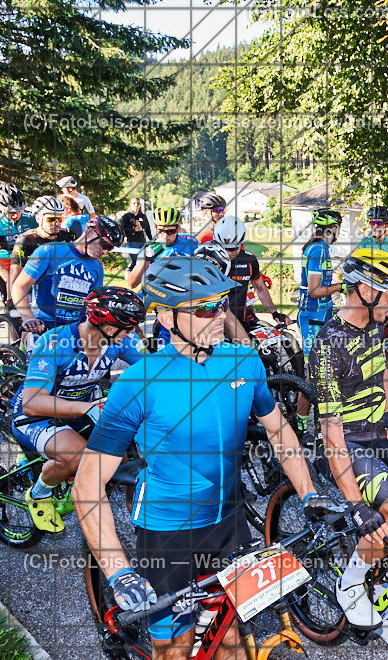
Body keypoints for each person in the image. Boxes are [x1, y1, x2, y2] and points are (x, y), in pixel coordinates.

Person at [73, 256, 334, 657]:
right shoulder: (139, 382)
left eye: (222, 304)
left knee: (229, 637)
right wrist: (118, 571)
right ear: (165, 318)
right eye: (203, 308)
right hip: (167, 533)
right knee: (174, 647)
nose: (219, 316)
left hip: (229, 523)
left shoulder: (244, 361)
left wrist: (310, 494)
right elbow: (87, 485)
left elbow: (279, 431)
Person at [309, 248, 388, 650]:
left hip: (375, 438)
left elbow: (383, 375)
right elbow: (331, 436)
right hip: (346, 445)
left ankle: (376, 591)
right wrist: (356, 506)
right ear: (366, 291)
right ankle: (351, 586)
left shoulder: (374, 325)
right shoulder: (328, 346)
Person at [14, 287, 145, 533]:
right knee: (80, 457)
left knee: (121, 458)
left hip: (78, 413)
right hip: (37, 416)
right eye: (129, 328)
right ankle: (38, 494)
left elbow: (155, 368)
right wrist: (87, 407)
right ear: (109, 327)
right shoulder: (54, 342)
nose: (133, 333)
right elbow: (31, 403)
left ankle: (138, 519)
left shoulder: (118, 342)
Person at [12, 216, 123, 335]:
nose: (105, 252)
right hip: (43, 324)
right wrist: (28, 317)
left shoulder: (97, 267)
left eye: (110, 248)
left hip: (76, 329)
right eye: (104, 244)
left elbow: (94, 302)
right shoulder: (49, 251)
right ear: (90, 233)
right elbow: (20, 286)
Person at [212, 215, 291, 333]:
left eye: (233, 248)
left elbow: (260, 288)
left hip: (239, 324)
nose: (228, 253)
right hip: (214, 325)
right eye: (224, 248)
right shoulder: (207, 260)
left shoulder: (249, 260)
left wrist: (274, 313)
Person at [297, 208, 343, 356]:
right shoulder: (318, 249)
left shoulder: (322, 248)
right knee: (314, 362)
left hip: (321, 311)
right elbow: (315, 291)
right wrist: (340, 287)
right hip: (314, 313)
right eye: (339, 227)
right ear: (333, 228)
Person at [10, 196, 76, 299]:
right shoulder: (26, 240)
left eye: (59, 219)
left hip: (62, 290)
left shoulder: (68, 236)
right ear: (38, 219)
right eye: (51, 219)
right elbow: (15, 272)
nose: (56, 223)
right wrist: (10, 300)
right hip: (33, 291)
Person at [125, 205, 198, 288]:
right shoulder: (149, 248)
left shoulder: (190, 241)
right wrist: (146, 260)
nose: (165, 236)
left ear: (179, 228)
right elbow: (132, 284)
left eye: (170, 231)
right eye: (161, 231)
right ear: (155, 228)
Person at [0, 182, 37, 308]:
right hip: (6, 265)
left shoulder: (32, 220)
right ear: (0, 207)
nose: (16, 215)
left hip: (28, 264)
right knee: (12, 308)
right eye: (11, 212)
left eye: (19, 211)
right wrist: (9, 280)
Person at [118, 198, 152, 270]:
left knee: (144, 262)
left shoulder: (142, 216)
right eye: (134, 203)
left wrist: (151, 240)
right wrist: (133, 230)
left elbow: (147, 229)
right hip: (132, 242)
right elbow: (122, 229)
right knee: (134, 262)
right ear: (130, 205)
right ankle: (130, 273)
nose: (136, 205)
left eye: (138, 203)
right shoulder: (126, 216)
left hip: (142, 242)